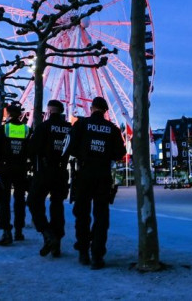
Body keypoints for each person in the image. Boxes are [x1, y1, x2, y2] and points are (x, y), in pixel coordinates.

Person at [65, 96, 126, 270]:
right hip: (103, 174)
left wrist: (83, 155)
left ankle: (83, 251)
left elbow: (70, 145)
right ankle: (97, 255)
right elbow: (119, 152)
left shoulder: (82, 124)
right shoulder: (112, 129)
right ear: (106, 111)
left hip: (84, 173)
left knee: (82, 214)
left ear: (92, 108)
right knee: (101, 216)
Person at [27, 99, 71, 258]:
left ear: (50, 111)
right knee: (57, 206)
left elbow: (32, 148)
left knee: (33, 201)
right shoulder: (69, 128)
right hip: (61, 172)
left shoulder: (44, 127)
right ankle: (57, 243)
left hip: (44, 171)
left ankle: (47, 233)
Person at [0, 101, 31, 246]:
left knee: (4, 201)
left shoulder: (3, 129)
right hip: (21, 168)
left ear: (9, 114)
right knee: (20, 200)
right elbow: (32, 149)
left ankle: (6, 231)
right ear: (20, 115)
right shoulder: (27, 129)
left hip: (5, 169)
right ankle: (19, 230)